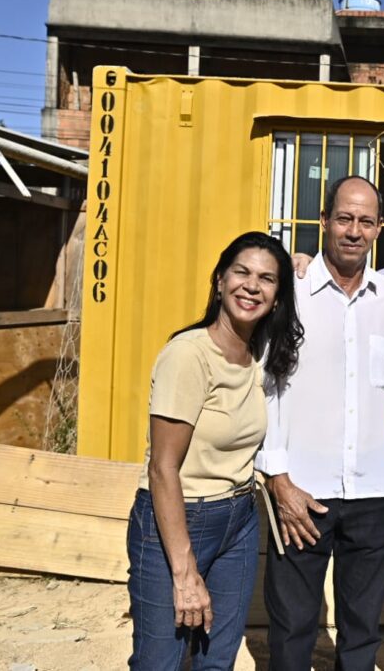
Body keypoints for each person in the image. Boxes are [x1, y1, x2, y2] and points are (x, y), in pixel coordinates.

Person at [257, 176, 384, 669]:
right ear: (323, 221)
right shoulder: (290, 292)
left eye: (365, 221)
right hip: (302, 492)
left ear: (379, 229)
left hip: (372, 492)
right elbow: (264, 389)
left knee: (362, 632)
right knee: (292, 628)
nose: (354, 231)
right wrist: (278, 480)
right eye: (344, 218)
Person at [126, 231, 303, 669]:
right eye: (241, 272)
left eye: (266, 278)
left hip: (240, 520)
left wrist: (304, 264)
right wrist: (184, 571)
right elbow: (163, 469)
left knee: (216, 660)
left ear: (277, 297)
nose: (251, 285)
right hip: (177, 519)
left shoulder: (259, 355)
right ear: (220, 280)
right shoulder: (188, 356)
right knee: (159, 662)